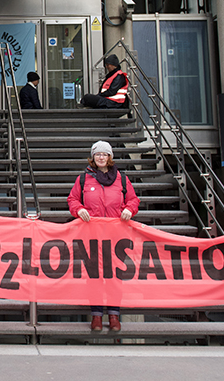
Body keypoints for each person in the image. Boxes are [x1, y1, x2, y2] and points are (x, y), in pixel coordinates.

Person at [67, 140, 140, 332]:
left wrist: (129, 210)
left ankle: (114, 315)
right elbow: (73, 199)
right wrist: (79, 209)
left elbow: (133, 200)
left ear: (110, 157)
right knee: (94, 276)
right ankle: (97, 316)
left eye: (104, 154)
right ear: (93, 157)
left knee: (115, 275)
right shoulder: (84, 179)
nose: (101, 157)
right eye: (98, 154)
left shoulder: (122, 179)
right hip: (92, 236)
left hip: (116, 236)